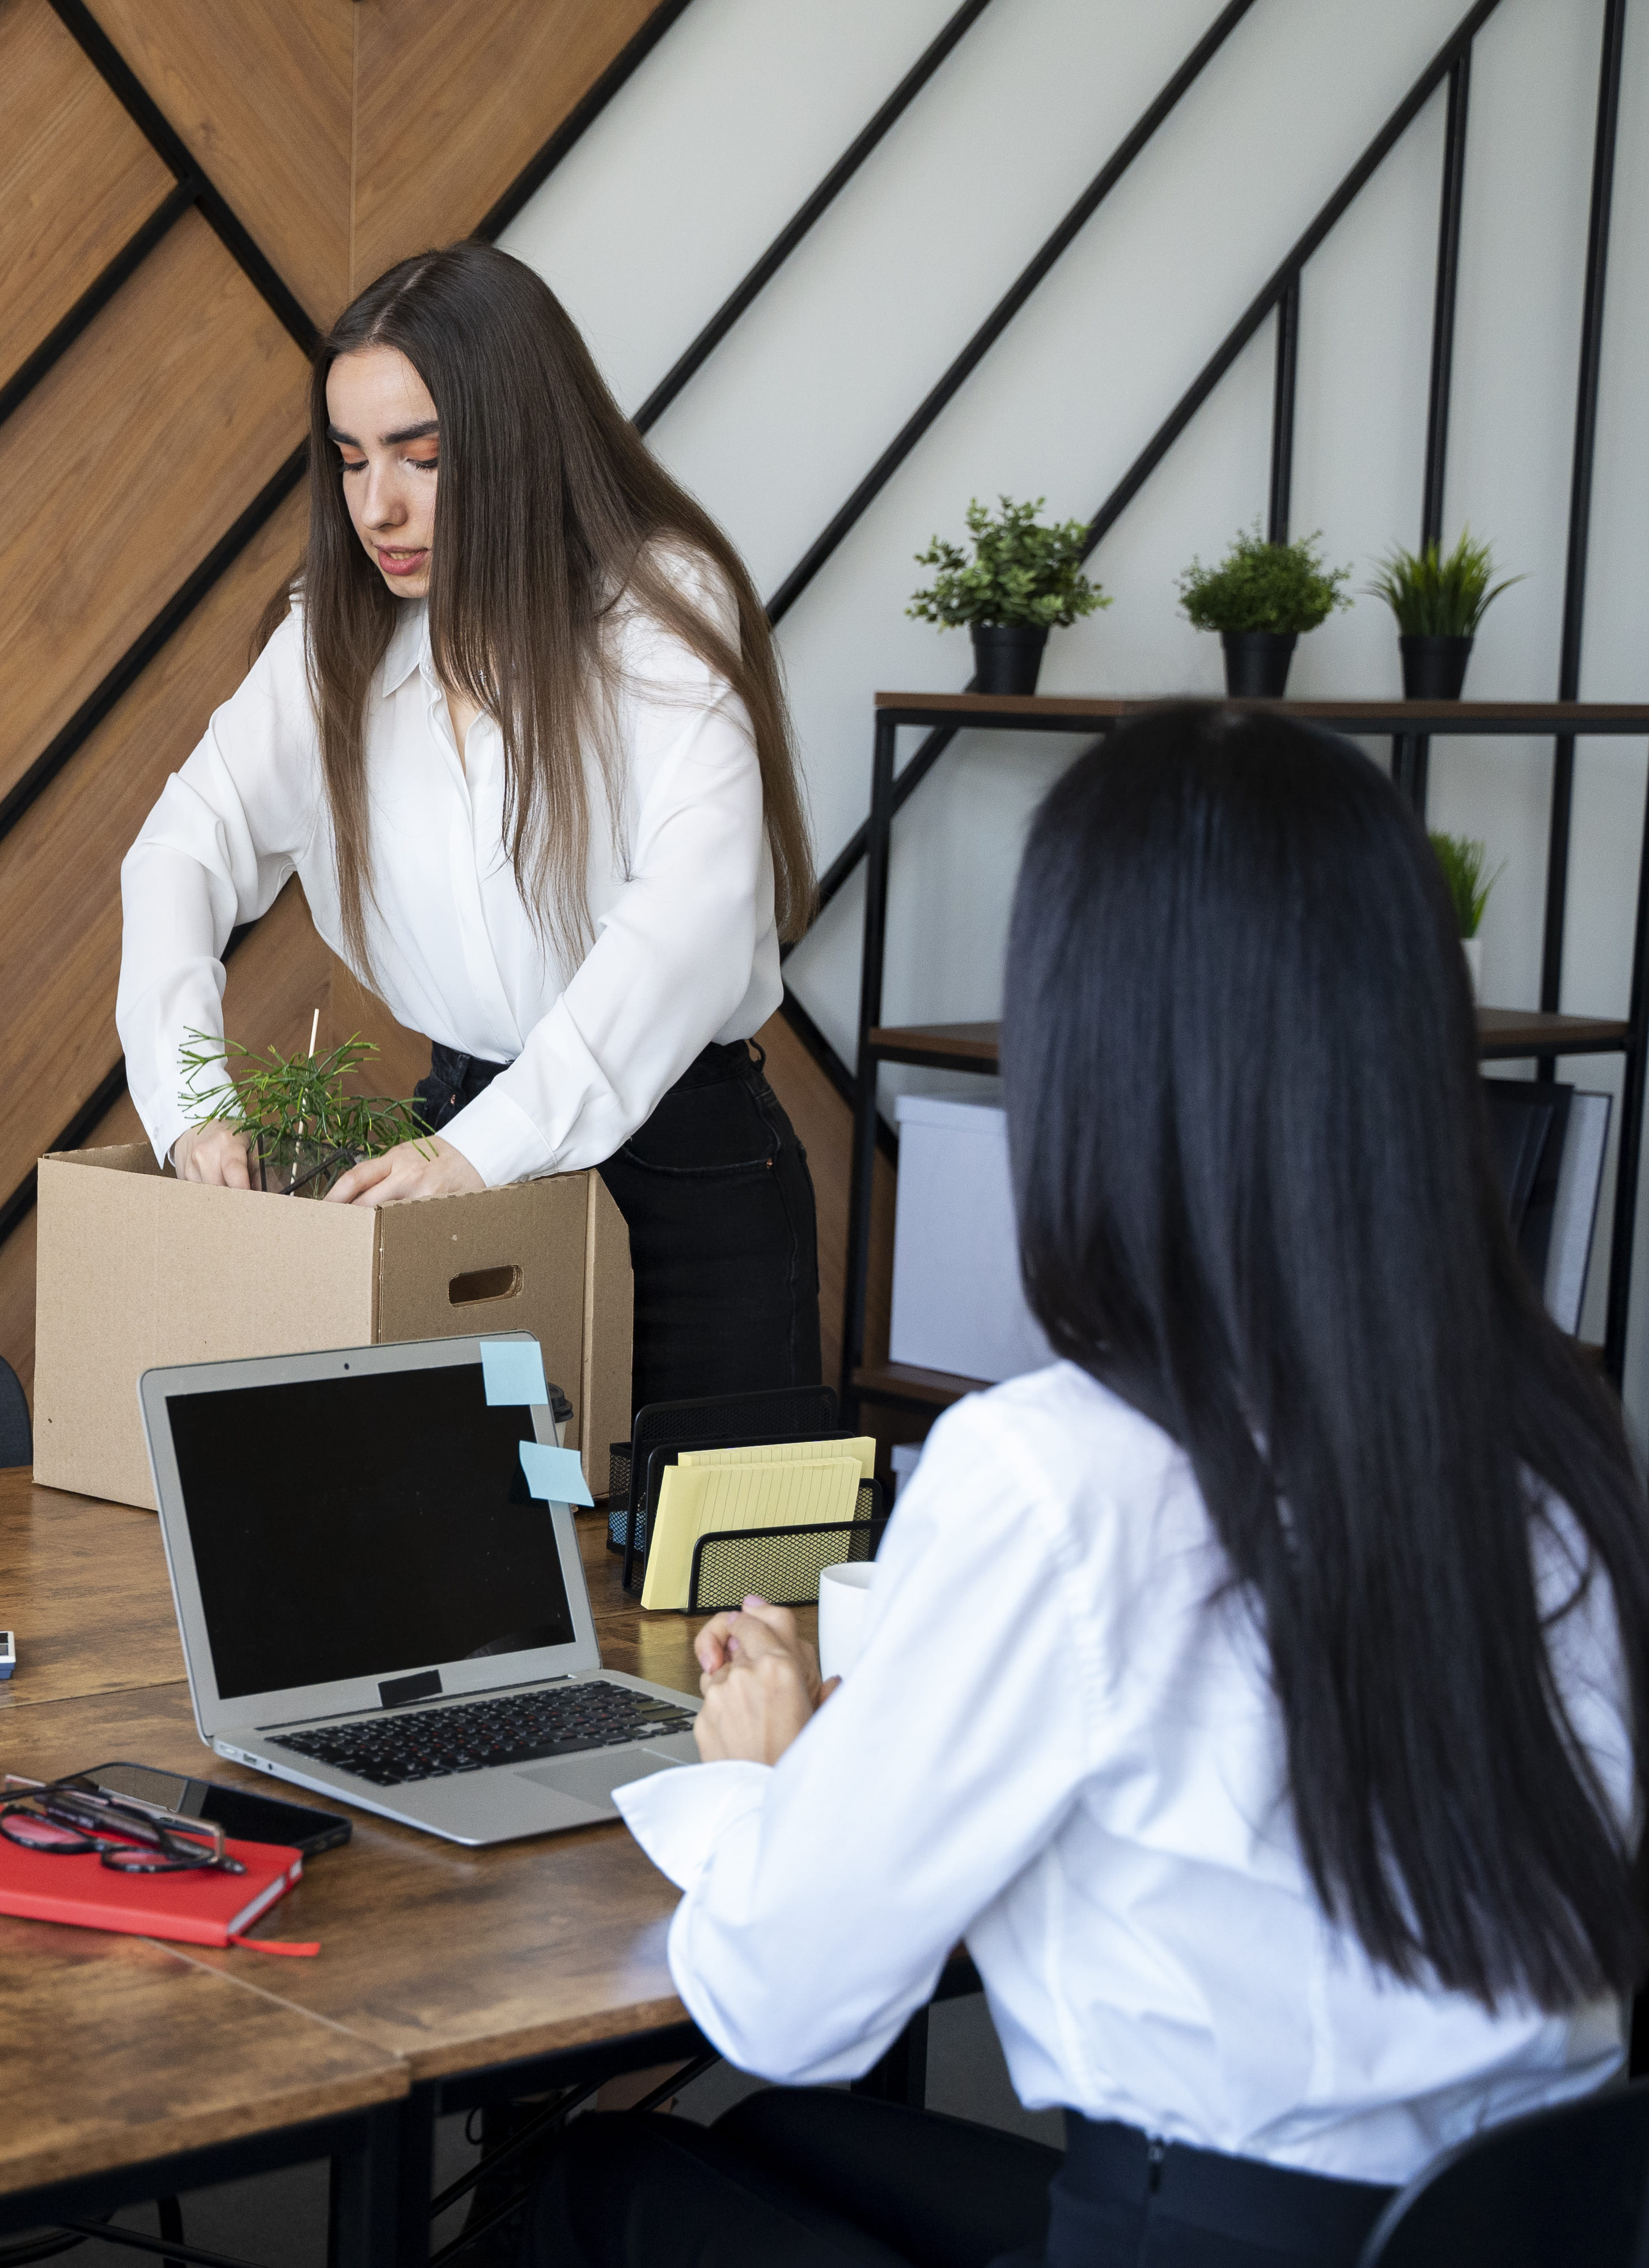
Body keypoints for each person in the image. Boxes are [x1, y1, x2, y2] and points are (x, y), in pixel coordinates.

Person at [526, 706, 1648, 2267]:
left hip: (1197, 2233)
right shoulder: (1551, 1436)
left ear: (1091, 1058)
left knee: (600, 2186)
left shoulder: (1063, 1471)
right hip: (1497, 2225)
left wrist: (769, 1782)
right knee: (778, 2144)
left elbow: (782, 2005)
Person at [116, 242, 823, 1419]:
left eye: (423, 457)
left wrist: (485, 1149)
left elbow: (687, 924)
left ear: (519, 439)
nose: (376, 507)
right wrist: (190, 1104)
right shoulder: (332, 640)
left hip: (682, 1176)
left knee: (711, 1539)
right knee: (482, 1536)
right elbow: (180, 850)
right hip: (455, 1149)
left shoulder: (656, 609)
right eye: (351, 460)